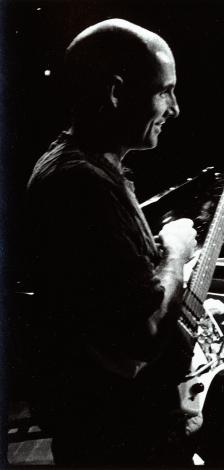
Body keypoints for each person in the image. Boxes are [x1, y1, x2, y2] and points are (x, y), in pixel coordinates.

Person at [22, 19, 200, 465]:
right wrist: (176, 251)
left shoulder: (95, 166)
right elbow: (141, 336)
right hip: (120, 437)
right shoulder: (78, 182)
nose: (174, 109)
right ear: (117, 93)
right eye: (165, 91)